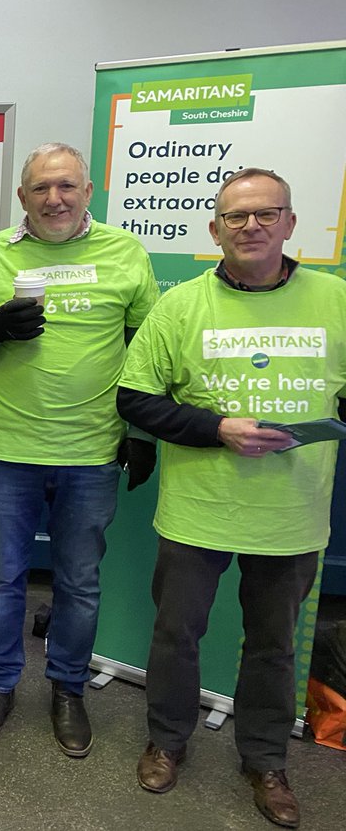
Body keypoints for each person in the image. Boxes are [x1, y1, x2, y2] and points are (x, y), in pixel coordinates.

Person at [119, 168, 345, 829]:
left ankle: (266, 761)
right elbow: (135, 399)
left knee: (273, 646)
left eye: (266, 214)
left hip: (292, 515)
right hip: (198, 512)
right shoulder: (180, 306)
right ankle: (166, 741)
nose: (251, 226)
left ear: (290, 223)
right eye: (235, 216)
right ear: (214, 230)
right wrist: (216, 428)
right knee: (176, 636)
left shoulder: (335, 300)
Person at [0, 142, 159, 757]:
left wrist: (141, 435)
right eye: (41, 188)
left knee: (79, 583)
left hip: (92, 451)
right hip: (7, 449)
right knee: (2, 579)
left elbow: (150, 353)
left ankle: (68, 688)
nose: (54, 199)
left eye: (66, 186)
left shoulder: (125, 253)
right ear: (22, 196)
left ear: (87, 192)